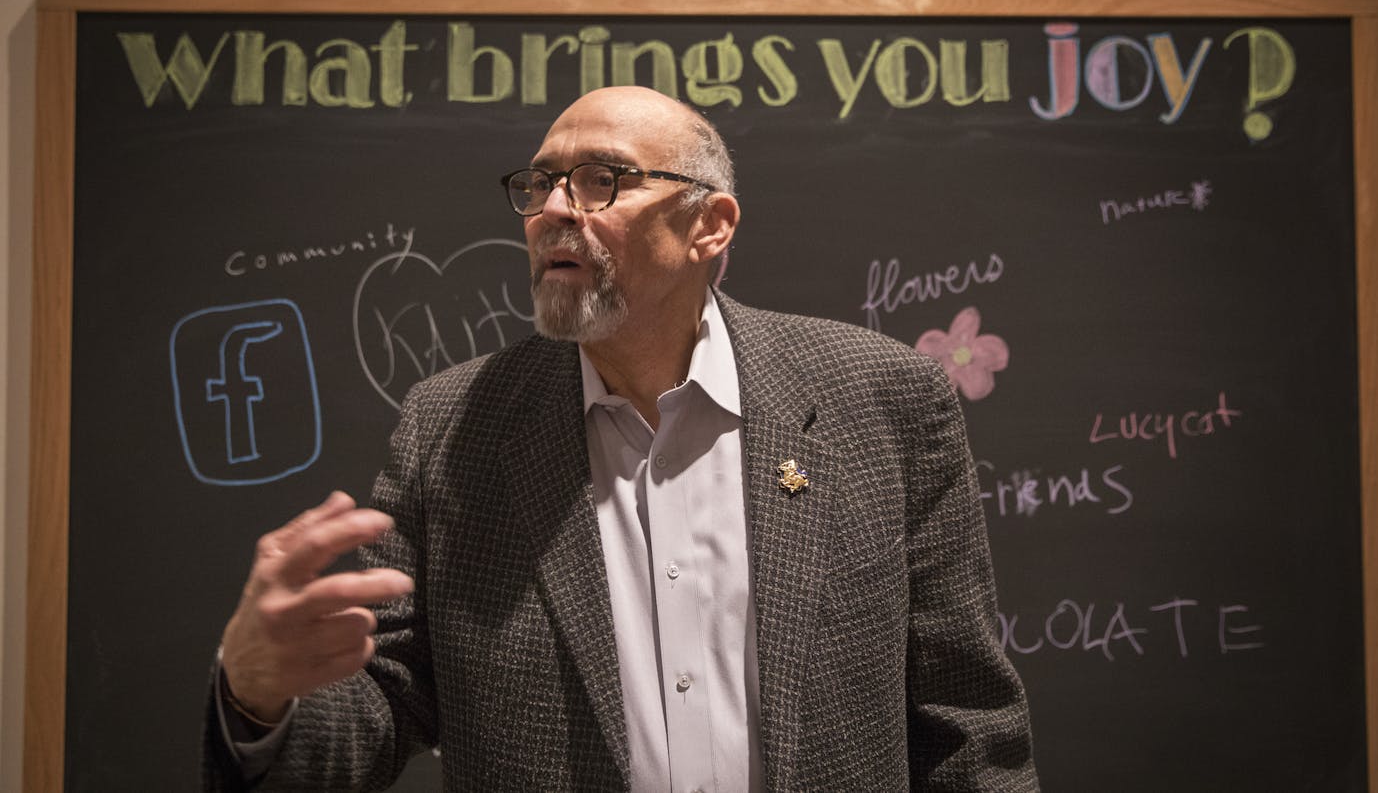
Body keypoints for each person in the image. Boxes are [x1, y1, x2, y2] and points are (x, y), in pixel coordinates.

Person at [204, 86, 1037, 791]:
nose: (555, 210)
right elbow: (384, 700)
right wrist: (257, 696)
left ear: (709, 225)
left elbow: (966, 716)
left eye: (601, 180)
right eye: (540, 185)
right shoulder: (451, 427)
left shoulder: (882, 398)